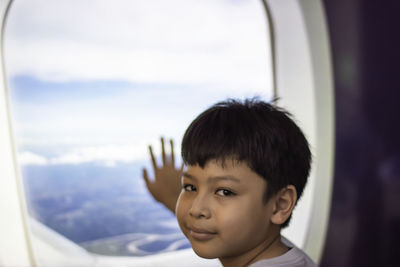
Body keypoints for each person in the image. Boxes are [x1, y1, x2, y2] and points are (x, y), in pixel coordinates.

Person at [142, 99, 317, 267]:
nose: (195, 210)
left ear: (280, 205)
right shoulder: (277, 251)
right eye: (190, 187)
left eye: (225, 192)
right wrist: (172, 197)